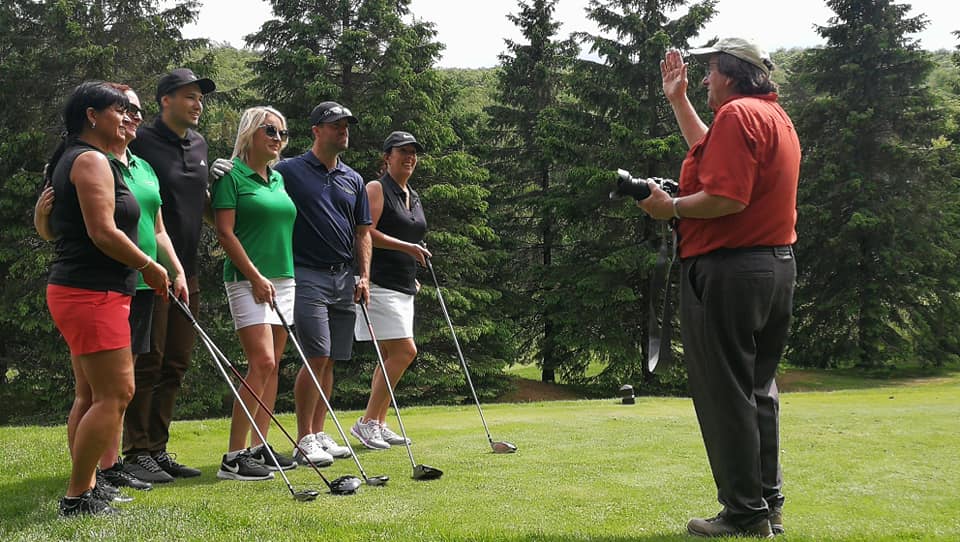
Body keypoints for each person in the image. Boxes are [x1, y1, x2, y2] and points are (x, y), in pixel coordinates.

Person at [639, 38, 800, 538]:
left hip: (731, 270)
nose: (704, 79)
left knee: (725, 393)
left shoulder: (737, 116)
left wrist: (674, 208)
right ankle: (765, 505)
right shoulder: (772, 116)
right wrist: (678, 99)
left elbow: (727, 197)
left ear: (730, 74)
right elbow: (716, 155)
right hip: (774, 267)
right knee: (757, 392)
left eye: (708, 71)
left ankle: (744, 515)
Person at [35, 84, 189, 495]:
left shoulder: (93, 160)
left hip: (93, 290)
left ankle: (89, 484)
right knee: (117, 393)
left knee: (91, 395)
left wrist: (158, 266)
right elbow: (102, 232)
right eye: (118, 110)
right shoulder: (90, 160)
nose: (126, 117)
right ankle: (79, 493)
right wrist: (149, 266)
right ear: (91, 115)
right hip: (92, 291)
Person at [122, 68, 215, 483]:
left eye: (200, 97)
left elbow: (199, 202)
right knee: (148, 360)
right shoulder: (140, 140)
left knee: (175, 362)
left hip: (186, 271)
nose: (197, 104)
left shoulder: (199, 144)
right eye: (189, 96)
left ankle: (157, 449)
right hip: (144, 270)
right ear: (165, 101)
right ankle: (135, 451)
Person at [276, 101, 371, 465]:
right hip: (306, 274)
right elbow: (258, 188)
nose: (343, 130)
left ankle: (317, 432)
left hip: (344, 276)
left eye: (346, 125)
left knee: (330, 358)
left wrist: (364, 275)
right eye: (336, 125)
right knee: (316, 354)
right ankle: (303, 439)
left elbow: (363, 233)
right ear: (316, 130)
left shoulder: (354, 179)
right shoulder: (289, 171)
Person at [211, 107, 298, 480]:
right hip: (247, 280)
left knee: (273, 365)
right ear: (250, 133)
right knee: (260, 361)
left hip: (284, 278)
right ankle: (233, 456)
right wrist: (256, 276)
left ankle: (259, 447)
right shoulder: (231, 177)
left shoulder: (278, 180)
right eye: (270, 131)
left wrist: (274, 278)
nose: (277, 139)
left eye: (282, 133)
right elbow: (225, 233)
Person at [349, 131, 431, 450]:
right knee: (405, 351)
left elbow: (412, 234)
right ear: (387, 157)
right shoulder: (376, 188)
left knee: (388, 356)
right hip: (380, 282)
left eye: (413, 153)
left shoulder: (412, 193)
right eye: (403, 152)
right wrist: (408, 248)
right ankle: (368, 422)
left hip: (403, 284)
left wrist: (412, 264)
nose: (409, 157)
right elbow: (365, 231)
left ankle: (379, 423)